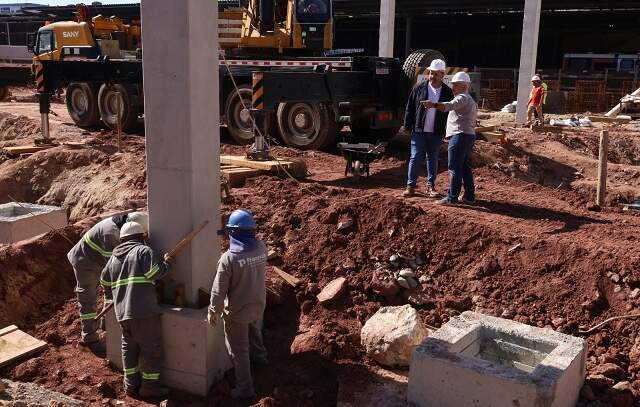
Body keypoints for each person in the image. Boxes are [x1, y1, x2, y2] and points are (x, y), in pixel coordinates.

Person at [100, 221, 173, 398]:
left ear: (123, 239)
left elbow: (104, 280)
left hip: (122, 313)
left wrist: (112, 297)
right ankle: (150, 388)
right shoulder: (143, 251)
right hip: (143, 312)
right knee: (150, 349)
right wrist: (167, 264)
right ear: (142, 237)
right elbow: (154, 273)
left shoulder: (113, 258)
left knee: (129, 348)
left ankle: (130, 385)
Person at [208, 209, 268, 401]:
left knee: (239, 350)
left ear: (232, 232)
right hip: (258, 304)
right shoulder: (261, 247)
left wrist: (213, 311)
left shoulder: (228, 259)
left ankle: (245, 388)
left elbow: (218, 291)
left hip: (237, 312)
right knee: (254, 330)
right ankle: (260, 358)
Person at [67, 211, 149, 348]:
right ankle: (89, 337)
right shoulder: (111, 234)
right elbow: (115, 266)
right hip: (85, 262)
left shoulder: (124, 225)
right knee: (88, 297)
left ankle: (106, 323)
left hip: (100, 261)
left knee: (111, 292)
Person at [422, 71, 478, 205]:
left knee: (454, 167)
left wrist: (433, 104)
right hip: (468, 136)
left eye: (455, 85)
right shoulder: (470, 100)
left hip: (460, 136)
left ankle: (452, 198)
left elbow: (449, 106)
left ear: (464, 85)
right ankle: (469, 196)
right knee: (464, 166)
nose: (452, 88)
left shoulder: (462, 98)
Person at [402, 58, 454, 197]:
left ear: (443, 75)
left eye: (436, 74)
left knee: (432, 158)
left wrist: (448, 131)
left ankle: (431, 187)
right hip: (419, 130)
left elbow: (450, 113)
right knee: (415, 157)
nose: (432, 76)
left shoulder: (447, 92)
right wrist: (407, 125)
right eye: (431, 73)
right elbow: (410, 107)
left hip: (436, 132)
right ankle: (410, 186)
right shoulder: (419, 88)